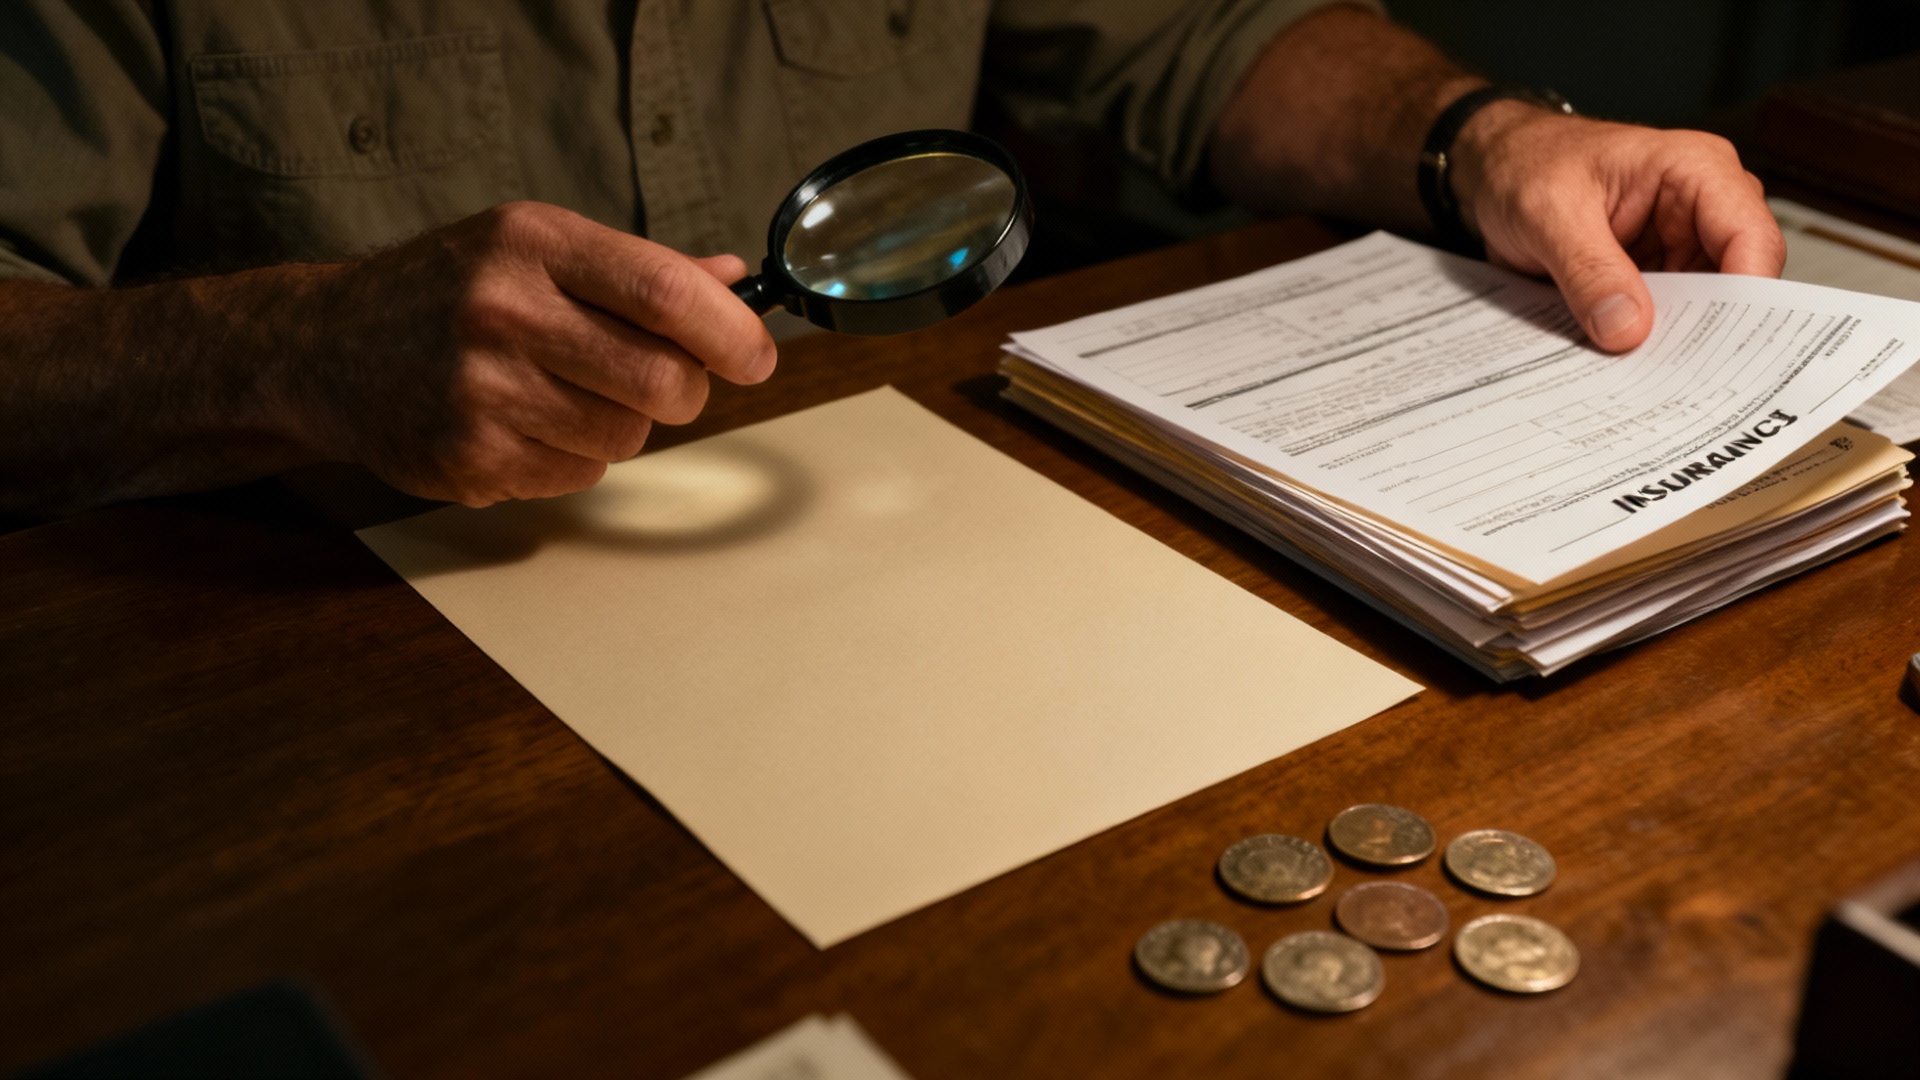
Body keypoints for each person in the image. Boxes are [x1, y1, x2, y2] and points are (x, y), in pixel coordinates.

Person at [0, 1, 1784, 515]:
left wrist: (1481, 136)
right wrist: (293, 350)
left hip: (883, 543)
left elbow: (1200, 34)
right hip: (302, 639)